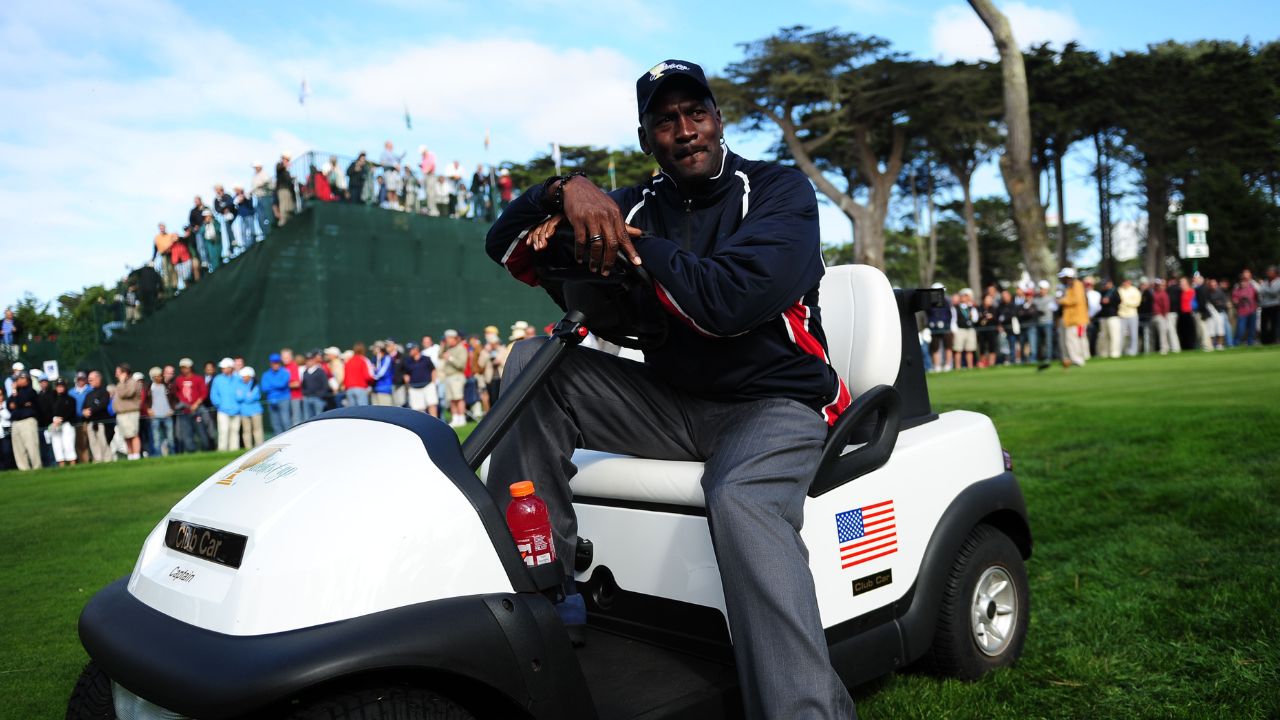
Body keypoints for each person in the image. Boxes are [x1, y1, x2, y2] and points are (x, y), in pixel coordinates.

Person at [483, 59, 858, 719]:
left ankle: (806, 710)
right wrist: (563, 195)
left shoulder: (777, 191)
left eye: (697, 113)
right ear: (645, 138)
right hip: (672, 403)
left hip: (776, 403)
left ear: (718, 120)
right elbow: (502, 245)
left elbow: (728, 302)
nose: (685, 130)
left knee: (739, 497)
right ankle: (543, 598)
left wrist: (632, 246)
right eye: (666, 120)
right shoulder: (634, 204)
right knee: (532, 363)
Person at [6, 372, 40, 470]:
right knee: (18, 449)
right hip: (16, 422)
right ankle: (24, 470)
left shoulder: (31, 391)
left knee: (32, 447)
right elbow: (9, 405)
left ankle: (37, 468)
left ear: (27, 379)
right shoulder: (15, 392)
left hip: (27, 421)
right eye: (17, 379)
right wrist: (18, 401)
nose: (17, 381)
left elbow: (22, 400)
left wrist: (17, 401)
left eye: (20, 378)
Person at [1058, 268, 1088, 367]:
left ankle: (1078, 360)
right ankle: (1074, 359)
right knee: (1071, 340)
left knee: (1073, 339)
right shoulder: (1069, 286)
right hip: (1070, 319)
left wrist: (1061, 300)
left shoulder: (1077, 285)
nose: (1061, 279)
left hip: (1076, 319)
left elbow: (1076, 299)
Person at [113, 364, 143, 460]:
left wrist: (122, 382)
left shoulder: (132, 383)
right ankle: (130, 456)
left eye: (118, 372)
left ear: (124, 373)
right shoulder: (121, 384)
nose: (116, 375)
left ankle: (136, 455)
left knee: (133, 435)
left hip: (130, 413)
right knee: (126, 436)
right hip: (121, 414)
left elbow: (125, 394)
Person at [210, 358, 240, 452]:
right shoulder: (218, 379)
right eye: (222, 368)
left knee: (235, 432)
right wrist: (220, 405)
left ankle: (234, 451)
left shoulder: (238, 378)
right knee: (223, 431)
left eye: (224, 367)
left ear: (230, 368)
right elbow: (214, 395)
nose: (222, 369)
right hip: (223, 411)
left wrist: (238, 406)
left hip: (236, 410)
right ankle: (222, 451)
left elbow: (241, 392)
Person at [439, 330, 468, 426]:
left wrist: (450, 358)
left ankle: (462, 418)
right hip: (448, 377)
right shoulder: (448, 348)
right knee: (451, 399)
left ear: (453, 338)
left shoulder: (461, 348)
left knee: (458, 398)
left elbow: (461, 365)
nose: (447, 340)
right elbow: (439, 355)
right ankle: (455, 418)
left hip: (457, 376)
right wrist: (443, 346)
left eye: (448, 338)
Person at [400, 342, 437, 417]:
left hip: (428, 385)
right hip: (414, 387)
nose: (409, 351)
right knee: (418, 409)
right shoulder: (407, 361)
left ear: (416, 349)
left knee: (432, 404)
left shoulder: (426, 359)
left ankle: (435, 423)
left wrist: (433, 382)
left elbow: (433, 370)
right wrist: (408, 384)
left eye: (411, 349)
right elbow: (406, 374)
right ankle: (422, 425)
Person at [82, 371, 112, 462]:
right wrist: (84, 412)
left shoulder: (105, 392)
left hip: (101, 423)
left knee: (103, 443)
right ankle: (98, 461)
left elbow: (103, 405)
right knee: (93, 444)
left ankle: (108, 460)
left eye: (92, 379)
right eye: (89, 379)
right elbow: (84, 407)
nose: (90, 381)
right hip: (91, 423)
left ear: (98, 379)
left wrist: (90, 410)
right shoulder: (88, 394)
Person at [145, 367, 175, 457]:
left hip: (167, 415)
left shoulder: (167, 386)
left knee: (170, 438)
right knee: (156, 438)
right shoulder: (149, 387)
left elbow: (173, 399)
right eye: (156, 376)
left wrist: (172, 409)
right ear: (152, 377)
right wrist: (148, 410)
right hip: (155, 416)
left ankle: (172, 454)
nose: (159, 378)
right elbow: (145, 401)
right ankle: (158, 456)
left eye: (160, 376)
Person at [47, 378, 77, 466]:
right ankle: (62, 467)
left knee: (68, 446)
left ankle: (73, 467)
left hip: (67, 425)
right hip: (54, 425)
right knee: (57, 447)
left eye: (62, 386)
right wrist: (53, 420)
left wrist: (61, 419)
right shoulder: (52, 399)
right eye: (58, 386)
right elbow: (48, 412)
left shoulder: (71, 399)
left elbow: (71, 412)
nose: (60, 388)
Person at [260, 353, 292, 435]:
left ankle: (290, 439)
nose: (275, 364)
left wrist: (271, 385)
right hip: (271, 400)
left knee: (286, 421)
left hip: (284, 399)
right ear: (270, 363)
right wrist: (276, 385)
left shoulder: (285, 372)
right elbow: (264, 387)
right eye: (274, 362)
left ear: (280, 363)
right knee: (275, 423)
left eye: (277, 362)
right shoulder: (266, 374)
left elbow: (282, 384)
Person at [925, 283, 952, 371]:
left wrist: (947, 323)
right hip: (934, 328)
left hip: (946, 327)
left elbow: (949, 314)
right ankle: (937, 366)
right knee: (935, 347)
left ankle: (948, 365)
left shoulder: (946, 301)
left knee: (948, 346)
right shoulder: (929, 303)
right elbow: (927, 314)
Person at [237, 367, 264, 449]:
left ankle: (259, 447)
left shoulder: (256, 385)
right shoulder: (239, 384)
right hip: (244, 412)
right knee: (246, 431)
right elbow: (238, 397)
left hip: (256, 411)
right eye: (242, 376)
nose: (243, 378)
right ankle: (248, 448)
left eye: (244, 376)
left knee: (257, 430)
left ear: (250, 376)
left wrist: (245, 396)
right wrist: (247, 395)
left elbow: (253, 397)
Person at [1232, 270, 1260, 347]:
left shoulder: (1254, 285)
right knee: (1240, 329)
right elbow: (1234, 298)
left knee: (1252, 329)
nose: (1244, 279)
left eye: (1247, 275)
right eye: (1244, 276)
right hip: (1242, 311)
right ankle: (1236, 343)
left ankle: (1250, 343)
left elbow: (1259, 294)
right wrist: (1237, 301)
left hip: (1252, 310)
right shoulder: (1237, 287)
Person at [300, 350, 329, 421]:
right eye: (307, 360)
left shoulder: (320, 371)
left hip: (318, 399)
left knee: (319, 419)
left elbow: (325, 385)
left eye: (310, 360)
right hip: (307, 398)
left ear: (313, 360)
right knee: (307, 419)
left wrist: (320, 395)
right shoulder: (305, 372)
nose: (308, 362)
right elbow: (303, 385)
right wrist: (305, 393)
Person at [952, 289, 978, 369]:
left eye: (967, 296)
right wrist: (955, 331)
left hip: (970, 330)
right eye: (964, 296)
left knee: (970, 350)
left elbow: (975, 319)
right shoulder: (956, 308)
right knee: (958, 350)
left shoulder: (971, 308)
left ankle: (970, 367)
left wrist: (972, 309)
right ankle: (958, 367)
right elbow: (953, 320)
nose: (966, 298)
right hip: (960, 330)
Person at [1117, 278, 1142, 356]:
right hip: (1121, 315)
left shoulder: (1134, 290)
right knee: (1120, 334)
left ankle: (1133, 351)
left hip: (1132, 315)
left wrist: (1126, 302)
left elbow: (1137, 303)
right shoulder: (1119, 290)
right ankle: (1120, 351)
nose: (1125, 283)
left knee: (1133, 334)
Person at [343, 342, 373, 407]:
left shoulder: (348, 361)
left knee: (352, 413)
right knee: (363, 412)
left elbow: (345, 376)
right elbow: (368, 376)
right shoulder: (364, 360)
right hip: (360, 388)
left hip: (349, 389)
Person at [280, 348, 303, 428]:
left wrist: (281, 385)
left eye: (287, 357)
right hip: (286, 397)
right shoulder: (283, 368)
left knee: (296, 420)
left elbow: (297, 383)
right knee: (286, 420)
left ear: (291, 357)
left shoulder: (294, 366)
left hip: (295, 397)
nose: (285, 359)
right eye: (283, 357)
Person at [251, 161, 273, 239]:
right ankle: (265, 233)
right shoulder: (254, 177)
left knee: (268, 215)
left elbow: (269, 185)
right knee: (260, 218)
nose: (256, 169)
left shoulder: (265, 174)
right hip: (258, 198)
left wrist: (262, 186)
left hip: (265, 197)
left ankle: (271, 231)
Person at [1260, 266, 1280, 345]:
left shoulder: (1278, 281)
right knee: (1264, 324)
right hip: (1265, 306)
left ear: (1275, 273)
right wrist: (1265, 289)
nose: (1268, 273)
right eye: (1268, 271)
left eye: (1270, 272)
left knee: (1275, 324)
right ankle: (1265, 342)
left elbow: (1274, 292)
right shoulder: (1265, 282)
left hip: (1275, 305)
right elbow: (1260, 291)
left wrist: (1264, 288)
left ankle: (1275, 340)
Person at [371, 341, 395, 406]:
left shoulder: (387, 358)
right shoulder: (375, 359)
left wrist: (372, 375)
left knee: (385, 412)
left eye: (375, 349)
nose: (373, 351)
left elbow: (381, 373)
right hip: (376, 390)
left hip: (384, 389)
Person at [275, 154, 296, 227]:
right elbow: (279, 167)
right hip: (282, 190)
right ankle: (282, 222)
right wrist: (285, 165)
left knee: (289, 207)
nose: (287, 161)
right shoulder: (279, 165)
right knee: (283, 207)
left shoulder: (287, 171)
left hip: (288, 190)